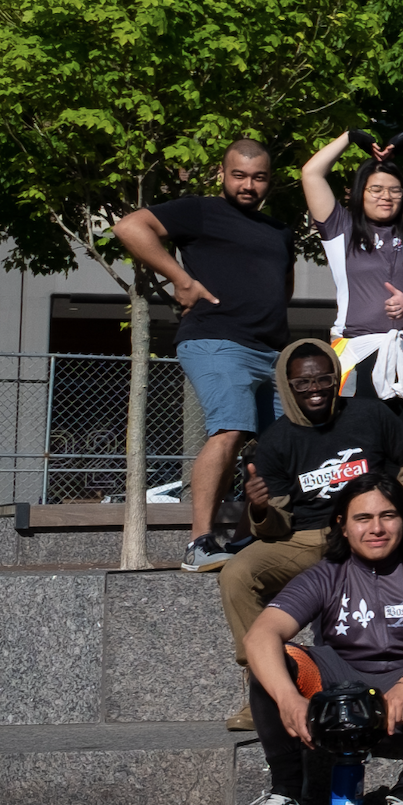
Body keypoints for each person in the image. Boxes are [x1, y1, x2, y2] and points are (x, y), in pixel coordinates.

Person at [231, 472, 403, 805]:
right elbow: (260, 635)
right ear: (342, 525)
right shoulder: (326, 574)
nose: (376, 528)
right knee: (275, 661)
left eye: (387, 516)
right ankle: (290, 797)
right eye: (362, 518)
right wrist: (289, 698)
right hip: (341, 687)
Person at [217, 342, 403, 730]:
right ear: (288, 385)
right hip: (308, 536)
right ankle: (264, 686)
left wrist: (395, 513)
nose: (315, 388)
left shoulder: (370, 414)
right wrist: (260, 509)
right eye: (303, 382)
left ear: (336, 378)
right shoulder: (276, 440)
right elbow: (277, 523)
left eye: (324, 379)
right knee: (237, 574)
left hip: (366, 529)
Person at [111, 140, 290, 572]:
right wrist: (180, 278)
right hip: (216, 339)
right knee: (230, 428)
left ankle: (249, 539)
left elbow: (284, 288)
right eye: (239, 175)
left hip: (271, 350)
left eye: (259, 177)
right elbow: (130, 227)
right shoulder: (201, 209)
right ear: (222, 174)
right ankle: (200, 543)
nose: (248, 185)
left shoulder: (280, 230)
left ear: (270, 179)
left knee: (281, 447)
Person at [298, 130, 403, 430]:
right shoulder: (340, 229)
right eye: (376, 189)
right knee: (357, 442)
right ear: (360, 193)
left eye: (395, 190)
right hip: (356, 353)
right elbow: (311, 173)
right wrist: (349, 137)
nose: (386, 196)